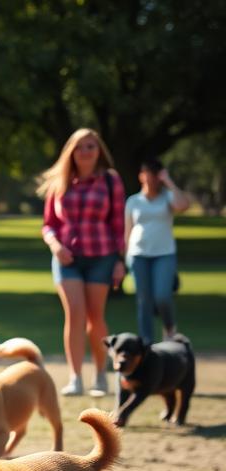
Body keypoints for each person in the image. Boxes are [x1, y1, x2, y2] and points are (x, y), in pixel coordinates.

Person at [39, 128, 125, 397]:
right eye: (80, 147)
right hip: (67, 258)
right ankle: (75, 377)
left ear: (99, 151)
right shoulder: (60, 181)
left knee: (95, 317)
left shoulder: (110, 180)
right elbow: (49, 225)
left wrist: (120, 260)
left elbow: (119, 224)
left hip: (102, 256)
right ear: (71, 151)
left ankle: (100, 375)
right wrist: (55, 245)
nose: (85, 151)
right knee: (74, 314)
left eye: (91, 146)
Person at [125, 159, 190, 342]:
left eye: (155, 175)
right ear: (141, 176)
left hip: (164, 253)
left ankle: (169, 329)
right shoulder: (133, 201)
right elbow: (127, 231)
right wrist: (124, 257)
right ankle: (147, 342)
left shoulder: (167, 197)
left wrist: (168, 181)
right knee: (144, 301)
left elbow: (183, 205)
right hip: (138, 254)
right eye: (149, 174)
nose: (152, 179)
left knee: (162, 296)